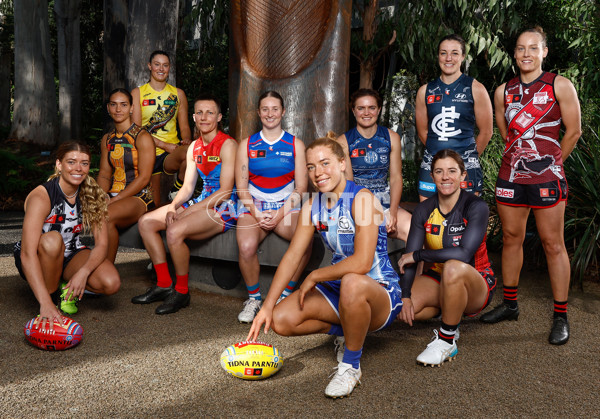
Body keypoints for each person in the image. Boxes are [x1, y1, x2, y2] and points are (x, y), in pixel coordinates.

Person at [247, 132, 403, 398]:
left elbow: (363, 262)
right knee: (282, 321)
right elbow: (293, 256)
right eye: (311, 166)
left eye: (325, 163)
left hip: (379, 290)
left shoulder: (362, 199)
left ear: (342, 164)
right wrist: (268, 306)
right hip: (339, 287)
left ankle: (351, 366)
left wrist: (316, 275)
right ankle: (350, 329)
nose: (318, 172)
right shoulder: (311, 206)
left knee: (353, 281)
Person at [480, 27, 581, 346]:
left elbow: (574, 131)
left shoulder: (559, 85)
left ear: (544, 52)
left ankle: (561, 315)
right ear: (514, 54)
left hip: (547, 177)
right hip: (512, 176)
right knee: (511, 238)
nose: (526, 53)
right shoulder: (502, 91)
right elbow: (506, 132)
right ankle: (510, 305)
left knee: (553, 244)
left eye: (533, 48)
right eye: (521, 48)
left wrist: (553, 163)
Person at [132, 94, 237, 314]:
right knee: (146, 222)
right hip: (202, 200)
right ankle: (163, 284)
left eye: (210, 112)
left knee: (174, 231)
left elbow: (225, 192)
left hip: (224, 206)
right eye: (199, 112)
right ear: (194, 117)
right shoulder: (194, 148)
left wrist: (186, 213)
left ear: (219, 117)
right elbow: (188, 187)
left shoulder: (228, 145)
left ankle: (181, 292)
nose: (204, 117)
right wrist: (173, 207)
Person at [397, 149, 496, 366]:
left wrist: (419, 254)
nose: (445, 177)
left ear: (463, 176)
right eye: (439, 171)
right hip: (438, 278)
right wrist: (405, 296)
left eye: (452, 171)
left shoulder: (476, 206)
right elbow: (409, 259)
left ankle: (447, 339)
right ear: (432, 177)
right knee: (403, 308)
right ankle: (451, 311)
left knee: (453, 265)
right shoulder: (424, 210)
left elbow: (464, 254)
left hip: (476, 281)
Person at [14, 141, 120, 328]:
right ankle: (50, 298)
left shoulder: (94, 194)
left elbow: (102, 244)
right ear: (59, 164)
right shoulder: (42, 196)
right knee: (53, 240)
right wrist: (45, 303)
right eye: (71, 162)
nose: (78, 168)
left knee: (111, 283)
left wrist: (83, 273)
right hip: (40, 254)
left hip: (70, 252)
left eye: (84, 163)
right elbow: (27, 253)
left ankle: (66, 287)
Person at [235, 91, 310, 323]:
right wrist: (258, 213)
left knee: (306, 240)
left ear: (283, 111)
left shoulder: (295, 144)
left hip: (285, 206)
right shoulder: (247, 144)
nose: (270, 114)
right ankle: (254, 298)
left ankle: (283, 295)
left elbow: (300, 189)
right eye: (265, 109)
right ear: (258, 113)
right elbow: (241, 188)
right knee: (246, 246)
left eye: (275, 109)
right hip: (254, 206)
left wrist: (279, 214)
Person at [415, 34, 493, 201]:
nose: (448, 58)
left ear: (463, 57)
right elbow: (423, 132)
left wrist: (465, 158)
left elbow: (486, 132)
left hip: (465, 166)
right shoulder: (425, 91)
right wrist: (439, 159)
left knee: (464, 221)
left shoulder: (476, 88)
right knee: (431, 221)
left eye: (455, 53)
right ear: (438, 57)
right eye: (443, 53)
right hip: (432, 164)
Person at [336, 88, 412, 241]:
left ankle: (408, 265)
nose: (366, 113)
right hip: (356, 200)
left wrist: (393, 213)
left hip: (384, 200)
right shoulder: (344, 141)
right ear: (353, 111)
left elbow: (396, 178)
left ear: (379, 110)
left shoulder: (392, 137)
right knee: (367, 231)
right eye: (361, 108)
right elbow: (348, 183)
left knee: (412, 228)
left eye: (371, 108)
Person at [97, 88, 156, 262]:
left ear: (131, 108)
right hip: (114, 194)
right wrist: (101, 196)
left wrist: (116, 199)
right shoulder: (107, 139)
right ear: (108, 108)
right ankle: (100, 272)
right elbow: (104, 174)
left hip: (140, 197)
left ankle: (105, 270)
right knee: (96, 212)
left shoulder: (142, 136)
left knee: (105, 216)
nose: (118, 109)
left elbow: (144, 178)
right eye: (113, 105)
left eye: (123, 105)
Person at [131, 50, 192, 206]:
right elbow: (137, 131)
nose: (161, 69)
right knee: (155, 205)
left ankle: (177, 188)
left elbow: (184, 126)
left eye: (165, 65)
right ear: (150, 66)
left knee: (191, 152)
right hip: (147, 152)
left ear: (169, 68)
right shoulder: (137, 93)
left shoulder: (178, 94)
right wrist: (164, 145)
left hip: (171, 151)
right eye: (157, 64)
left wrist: (186, 140)